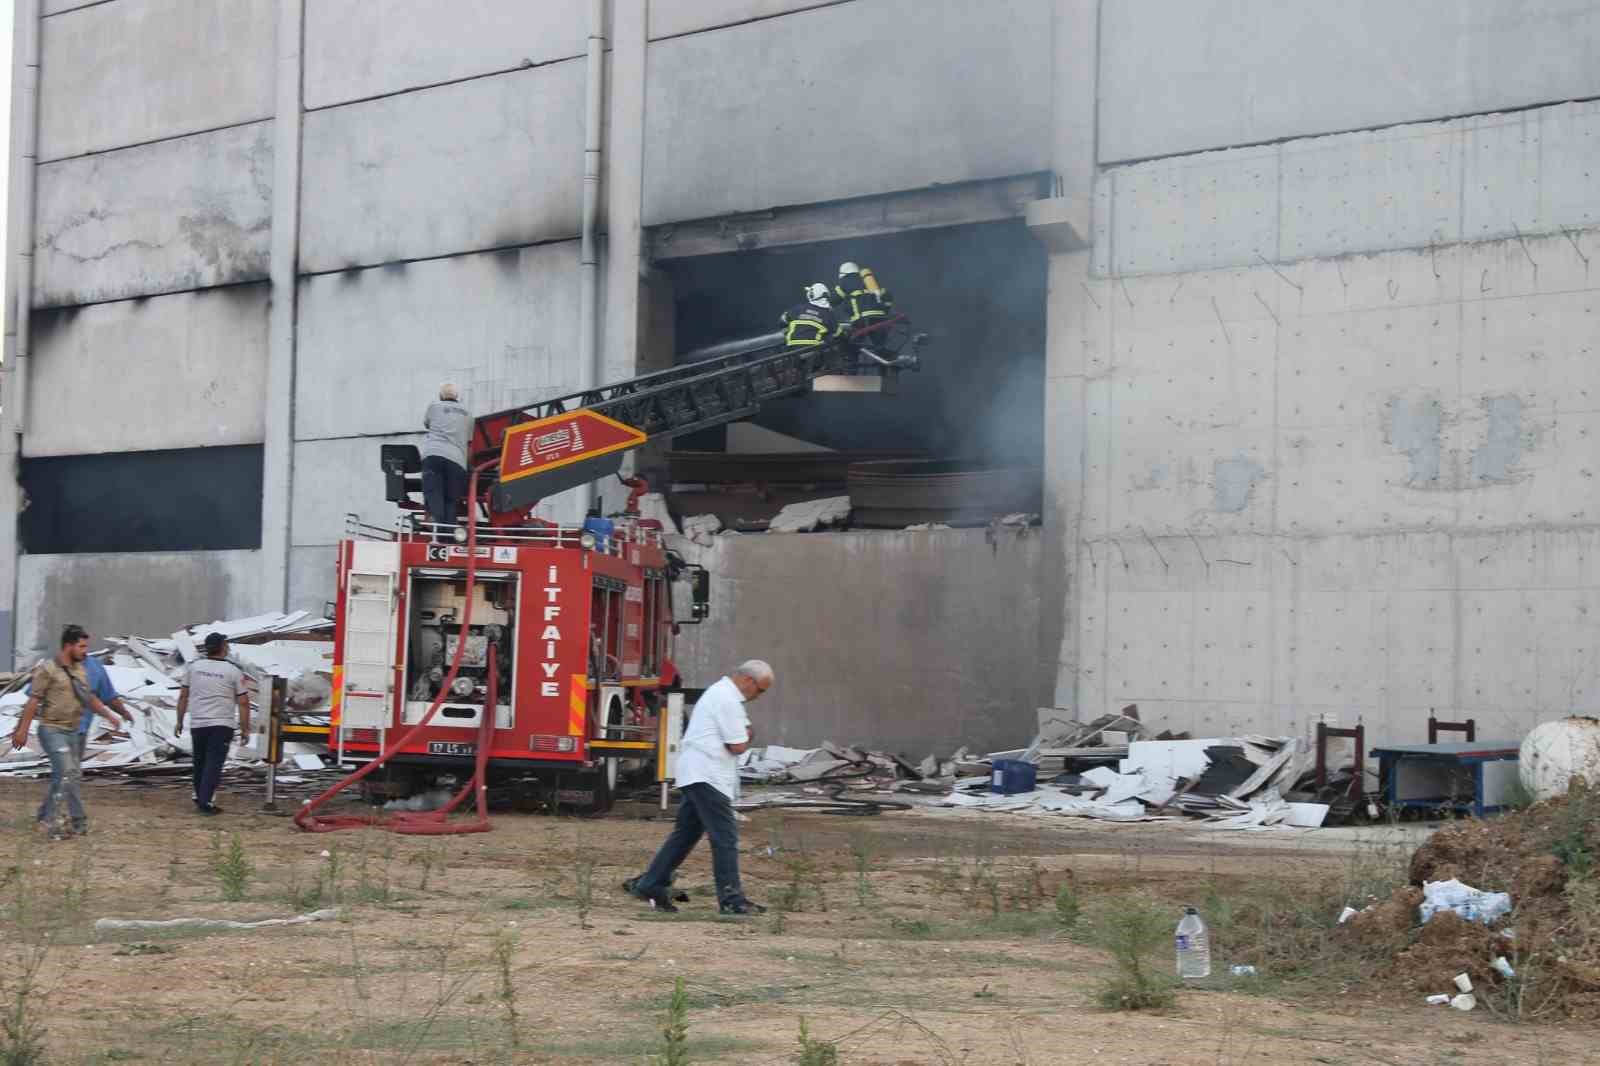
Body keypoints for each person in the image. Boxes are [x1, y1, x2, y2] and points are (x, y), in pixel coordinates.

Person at [625, 660, 774, 915]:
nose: (759, 697)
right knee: (725, 837)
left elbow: (739, 737)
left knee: (685, 834)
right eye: (760, 690)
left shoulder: (720, 693)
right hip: (708, 775)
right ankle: (731, 899)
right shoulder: (728, 699)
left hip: (697, 773)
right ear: (748, 680)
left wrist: (744, 734)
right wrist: (747, 735)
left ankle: (651, 884)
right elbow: (737, 744)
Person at [9, 624, 122, 840]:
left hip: (72, 731)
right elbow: (33, 701)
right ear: (68, 646)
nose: (85, 651)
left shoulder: (80, 670)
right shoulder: (47, 669)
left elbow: (88, 698)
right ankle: (59, 823)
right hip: (52, 729)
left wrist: (109, 715)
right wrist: (21, 730)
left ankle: (45, 815)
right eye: (81, 646)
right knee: (67, 772)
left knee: (66, 775)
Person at [176, 632, 250, 816]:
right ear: (223, 647)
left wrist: (179, 720)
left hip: (198, 723)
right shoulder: (233, 671)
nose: (228, 648)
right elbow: (243, 702)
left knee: (199, 761)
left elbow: (183, 695)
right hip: (222, 724)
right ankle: (206, 802)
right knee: (214, 763)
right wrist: (245, 728)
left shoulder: (193, 668)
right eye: (227, 645)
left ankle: (199, 794)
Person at [420, 382, 472, 534]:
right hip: (456, 460)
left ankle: (436, 531)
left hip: (434, 456)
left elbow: (427, 424)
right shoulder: (468, 413)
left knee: (434, 495)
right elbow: (468, 439)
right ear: (457, 397)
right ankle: (448, 535)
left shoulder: (434, 406)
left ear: (441, 396)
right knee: (451, 500)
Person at [78, 654, 137, 763]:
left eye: (84, 646)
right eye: (79, 646)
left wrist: (123, 712)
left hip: (81, 730)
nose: (83, 651)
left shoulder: (94, 666)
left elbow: (108, 696)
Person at [833, 261, 893, 337]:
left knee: (850, 342)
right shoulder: (872, 281)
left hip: (861, 320)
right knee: (877, 345)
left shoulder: (846, 280)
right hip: (880, 319)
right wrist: (885, 311)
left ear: (843, 274)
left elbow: (834, 300)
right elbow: (887, 296)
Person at [780, 284, 845, 349]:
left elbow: (782, 320)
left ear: (811, 295)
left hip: (792, 347)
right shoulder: (828, 314)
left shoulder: (798, 308)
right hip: (812, 349)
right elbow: (839, 334)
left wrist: (787, 332)